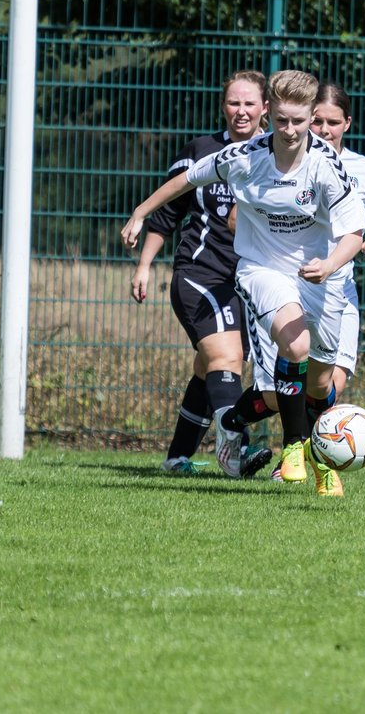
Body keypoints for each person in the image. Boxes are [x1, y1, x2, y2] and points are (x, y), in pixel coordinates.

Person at [123, 69, 365, 496]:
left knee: (322, 383)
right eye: (283, 121)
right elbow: (186, 179)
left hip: (319, 274)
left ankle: (316, 460)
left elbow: (354, 234)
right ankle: (294, 447)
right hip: (262, 270)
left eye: (299, 121)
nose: (290, 131)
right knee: (295, 345)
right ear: (270, 115)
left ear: (312, 117)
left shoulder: (328, 166)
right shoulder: (245, 156)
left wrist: (328, 265)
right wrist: (141, 211)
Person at [246, 82, 365, 479]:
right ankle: (244, 427)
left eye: (333, 122)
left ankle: (306, 458)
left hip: (339, 289)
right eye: (320, 121)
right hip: (291, 285)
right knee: (273, 394)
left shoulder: (361, 169)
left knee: (328, 387)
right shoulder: (285, 160)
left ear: (347, 123)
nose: (325, 129)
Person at [130, 70, 272, 477]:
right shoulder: (203, 150)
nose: (241, 111)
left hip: (247, 280)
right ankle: (236, 449)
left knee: (210, 366)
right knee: (226, 357)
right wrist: (144, 265)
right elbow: (169, 213)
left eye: (249, 103)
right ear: (222, 106)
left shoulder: (274, 156)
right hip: (200, 272)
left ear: (265, 108)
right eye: (233, 102)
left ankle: (177, 458)